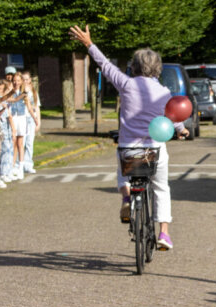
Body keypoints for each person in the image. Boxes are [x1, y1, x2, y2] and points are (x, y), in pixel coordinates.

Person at [70, 24, 189, 250]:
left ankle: (126, 199)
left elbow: (104, 64)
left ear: (133, 67)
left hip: (129, 149)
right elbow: (173, 116)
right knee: (161, 188)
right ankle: (164, 233)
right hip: (154, 150)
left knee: (123, 173)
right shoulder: (164, 92)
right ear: (157, 69)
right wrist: (182, 130)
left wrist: (88, 43)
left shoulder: (126, 84)